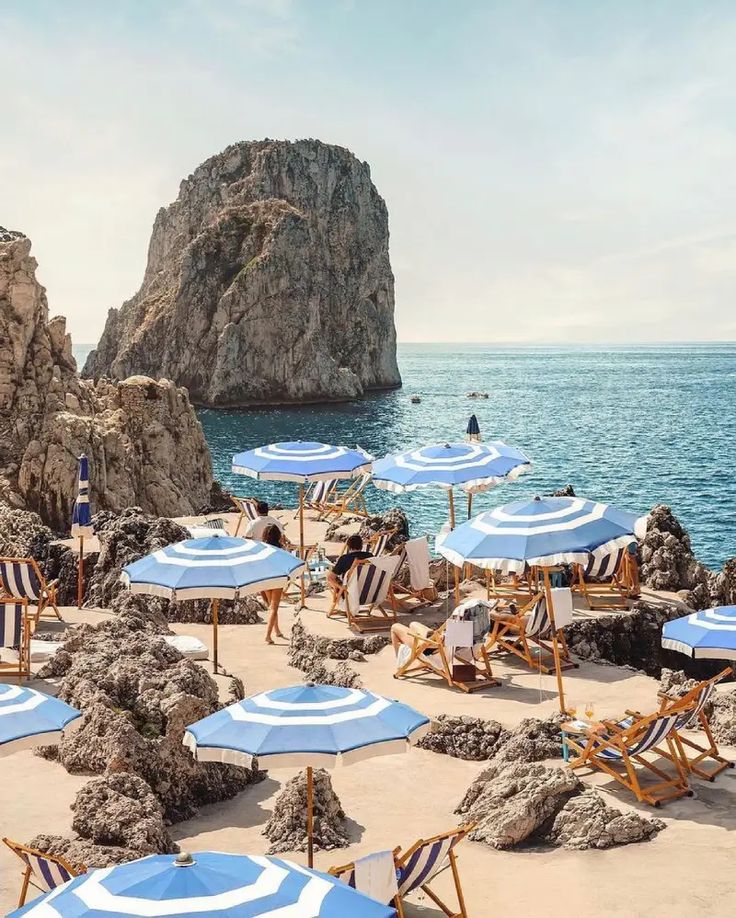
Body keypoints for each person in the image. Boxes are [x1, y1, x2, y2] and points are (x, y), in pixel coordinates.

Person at [326, 534, 372, 605]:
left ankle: (342, 591)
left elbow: (331, 577)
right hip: (369, 593)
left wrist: (342, 588)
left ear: (349, 546)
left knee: (329, 576)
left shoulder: (344, 559)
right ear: (361, 546)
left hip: (351, 594)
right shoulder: (370, 556)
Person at [261, 524, 286, 644]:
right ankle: (268, 635)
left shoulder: (262, 549)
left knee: (272, 606)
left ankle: (277, 630)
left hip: (266, 578)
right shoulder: (280, 550)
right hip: (277, 579)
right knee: (274, 608)